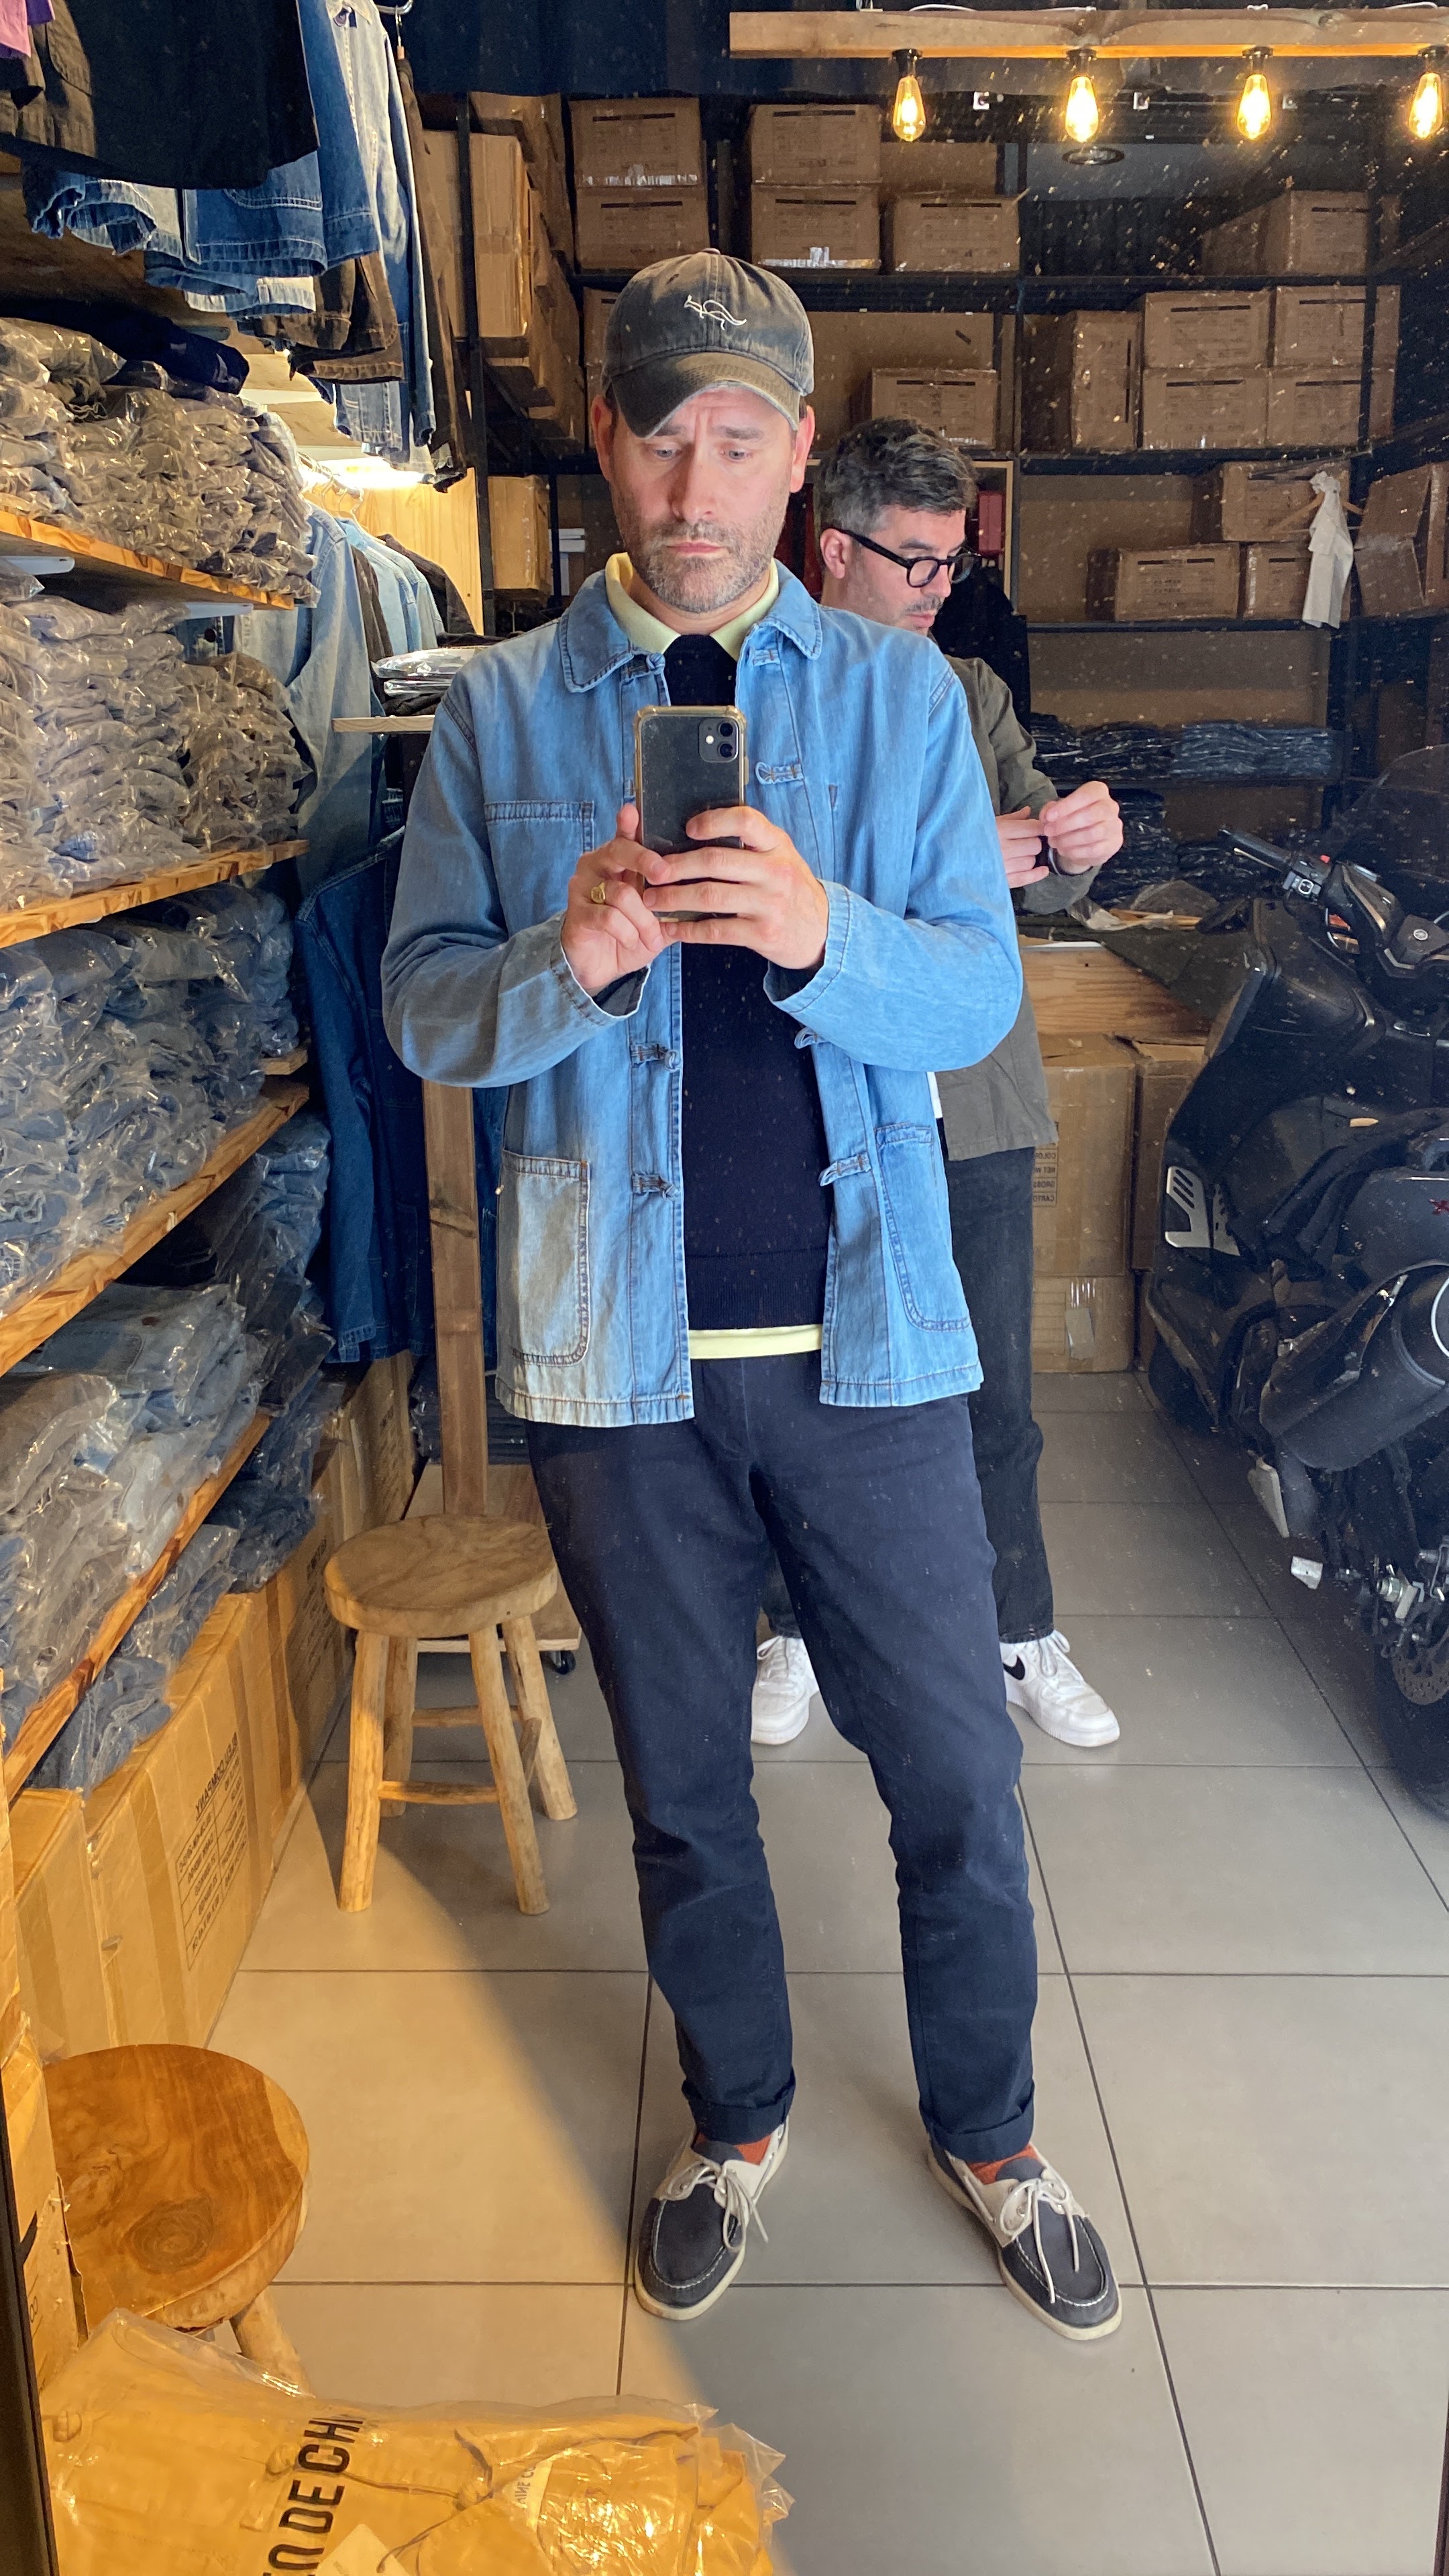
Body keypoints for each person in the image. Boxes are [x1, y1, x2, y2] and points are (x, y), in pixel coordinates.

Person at [382, 252, 1120, 2342]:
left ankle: (994, 2131)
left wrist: (817, 933)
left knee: (956, 1774)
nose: (693, 486)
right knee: (689, 1791)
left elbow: (971, 999)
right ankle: (739, 2118)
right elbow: (424, 1013)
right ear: (605, 443)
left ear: (797, 459)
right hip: (611, 1362)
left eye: (736, 440)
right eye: (658, 436)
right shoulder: (503, 711)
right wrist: (567, 963)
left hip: (870, 1347)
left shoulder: (902, 701)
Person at [751, 419, 1125, 1755]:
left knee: (994, 1391)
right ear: (831, 548)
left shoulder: (970, 696)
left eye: (950, 563)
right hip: (810, 1092)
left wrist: (1077, 849)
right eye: (913, 560)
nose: (935, 587)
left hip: (970, 1096)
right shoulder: (758, 693)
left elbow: (1043, 884)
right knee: (802, 1383)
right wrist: (969, 858)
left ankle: (1019, 1626)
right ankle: (792, 1626)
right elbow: (761, 899)